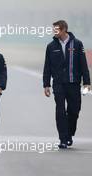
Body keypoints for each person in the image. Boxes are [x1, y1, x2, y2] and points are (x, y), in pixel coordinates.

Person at [43, 20, 91, 149]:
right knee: (60, 111)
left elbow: (83, 64)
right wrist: (46, 84)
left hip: (73, 83)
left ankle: (69, 133)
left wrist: (87, 82)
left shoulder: (77, 44)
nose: (54, 32)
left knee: (74, 110)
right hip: (58, 84)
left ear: (64, 29)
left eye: (56, 29)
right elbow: (47, 67)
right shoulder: (51, 46)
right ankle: (63, 139)